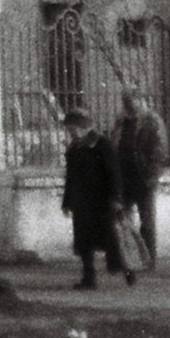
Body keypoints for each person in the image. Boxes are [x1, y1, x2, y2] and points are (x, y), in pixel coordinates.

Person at [60, 108, 134, 288]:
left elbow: (114, 174)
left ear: (84, 127)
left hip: (102, 201)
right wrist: (67, 201)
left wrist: (116, 199)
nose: (71, 132)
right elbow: (70, 178)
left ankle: (127, 270)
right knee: (84, 242)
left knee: (111, 239)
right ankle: (89, 278)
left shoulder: (102, 144)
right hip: (82, 202)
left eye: (73, 128)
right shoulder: (74, 148)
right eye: (69, 129)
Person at [111, 87, 170, 266]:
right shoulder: (122, 121)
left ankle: (148, 258)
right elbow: (114, 143)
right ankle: (127, 257)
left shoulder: (152, 120)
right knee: (123, 218)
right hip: (124, 176)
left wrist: (152, 175)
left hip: (143, 177)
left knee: (147, 220)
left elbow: (160, 151)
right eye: (125, 102)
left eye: (130, 101)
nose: (127, 106)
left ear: (139, 100)